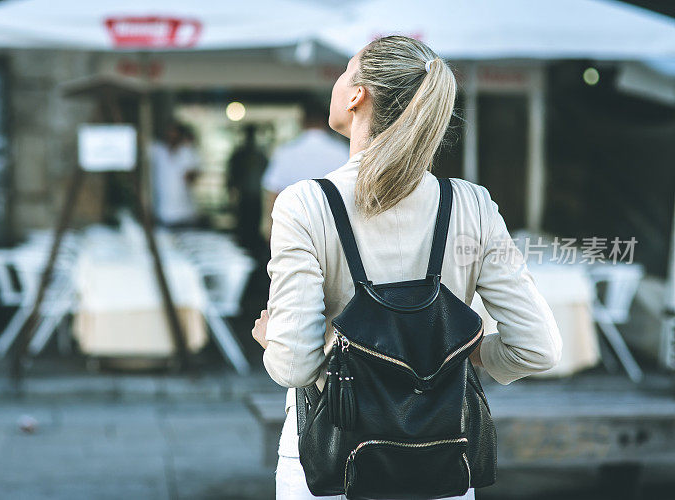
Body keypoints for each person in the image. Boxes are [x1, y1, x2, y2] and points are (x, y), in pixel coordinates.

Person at [251, 36, 562, 499]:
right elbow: (537, 348)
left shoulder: (305, 204)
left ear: (357, 95)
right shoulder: (471, 205)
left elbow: (293, 366)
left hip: (333, 464)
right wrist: (468, 352)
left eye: (344, 70)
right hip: (442, 460)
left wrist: (272, 338)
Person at [261, 99, 349, 239]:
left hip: (293, 227)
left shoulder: (285, 152)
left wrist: (269, 227)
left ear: (302, 121)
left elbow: (273, 192)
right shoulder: (342, 151)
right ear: (326, 121)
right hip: (333, 228)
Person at [227, 124, 269, 255]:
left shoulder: (254, 155)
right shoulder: (255, 155)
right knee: (247, 226)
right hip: (248, 196)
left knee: (248, 226)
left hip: (252, 196)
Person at [149, 123, 202, 228]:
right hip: (162, 212)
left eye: (175, 134)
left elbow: (192, 178)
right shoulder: (158, 151)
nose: (171, 137)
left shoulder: (188, 153)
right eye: (169, 134)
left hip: (185, 212)